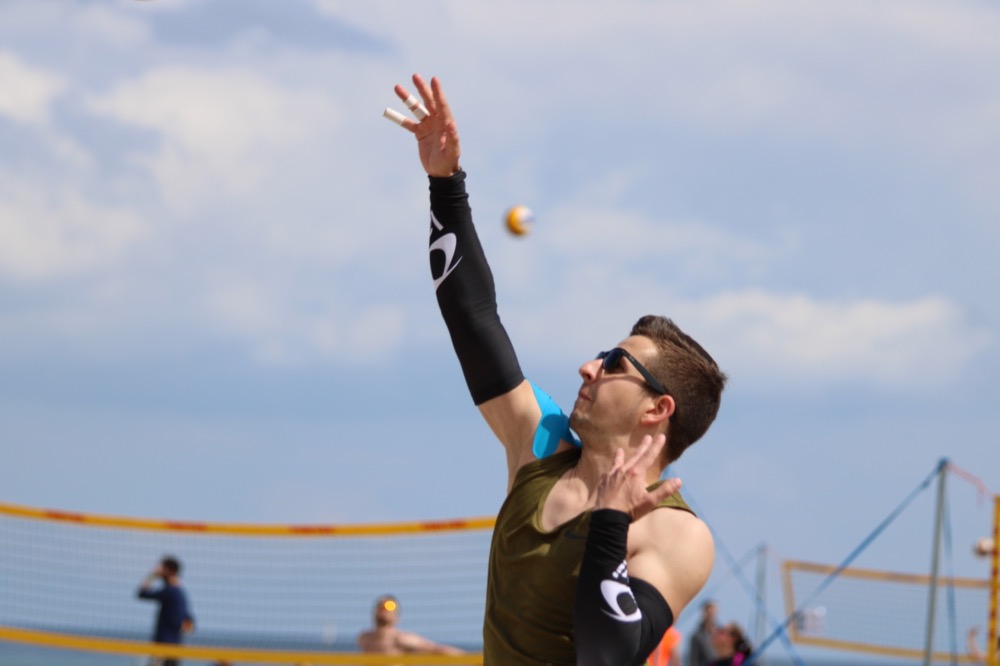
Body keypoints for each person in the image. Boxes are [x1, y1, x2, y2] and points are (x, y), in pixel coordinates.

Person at [391, 74, 727, 666]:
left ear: (658, 407)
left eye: (614, 364)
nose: (588, 367)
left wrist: (610, 521)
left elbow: (607, 654)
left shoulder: (677, 534)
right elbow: (474, 320)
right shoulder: (541, 445)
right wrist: (446, 183)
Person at [357, 594, 464, 655]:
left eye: (389, 607)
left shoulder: (401, 639)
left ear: (396, 617)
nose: (384, 610)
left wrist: (470, 659)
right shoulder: (365, 638)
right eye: (380, 606)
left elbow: (437, 649)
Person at [137, 555, 194, 666]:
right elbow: (188, 621)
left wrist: (152, 575)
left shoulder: (170, 591)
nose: (159, 570)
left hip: (163, 648)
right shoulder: (179, 593)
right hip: (174, 648)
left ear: (170, 571)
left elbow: (142, 593)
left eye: (162, 568)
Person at [686, 600, 719, 666]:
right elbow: (694, 660)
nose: (710, 616)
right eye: (708, 613)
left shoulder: (720, 634)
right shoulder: (697, 636)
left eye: (712, 613)